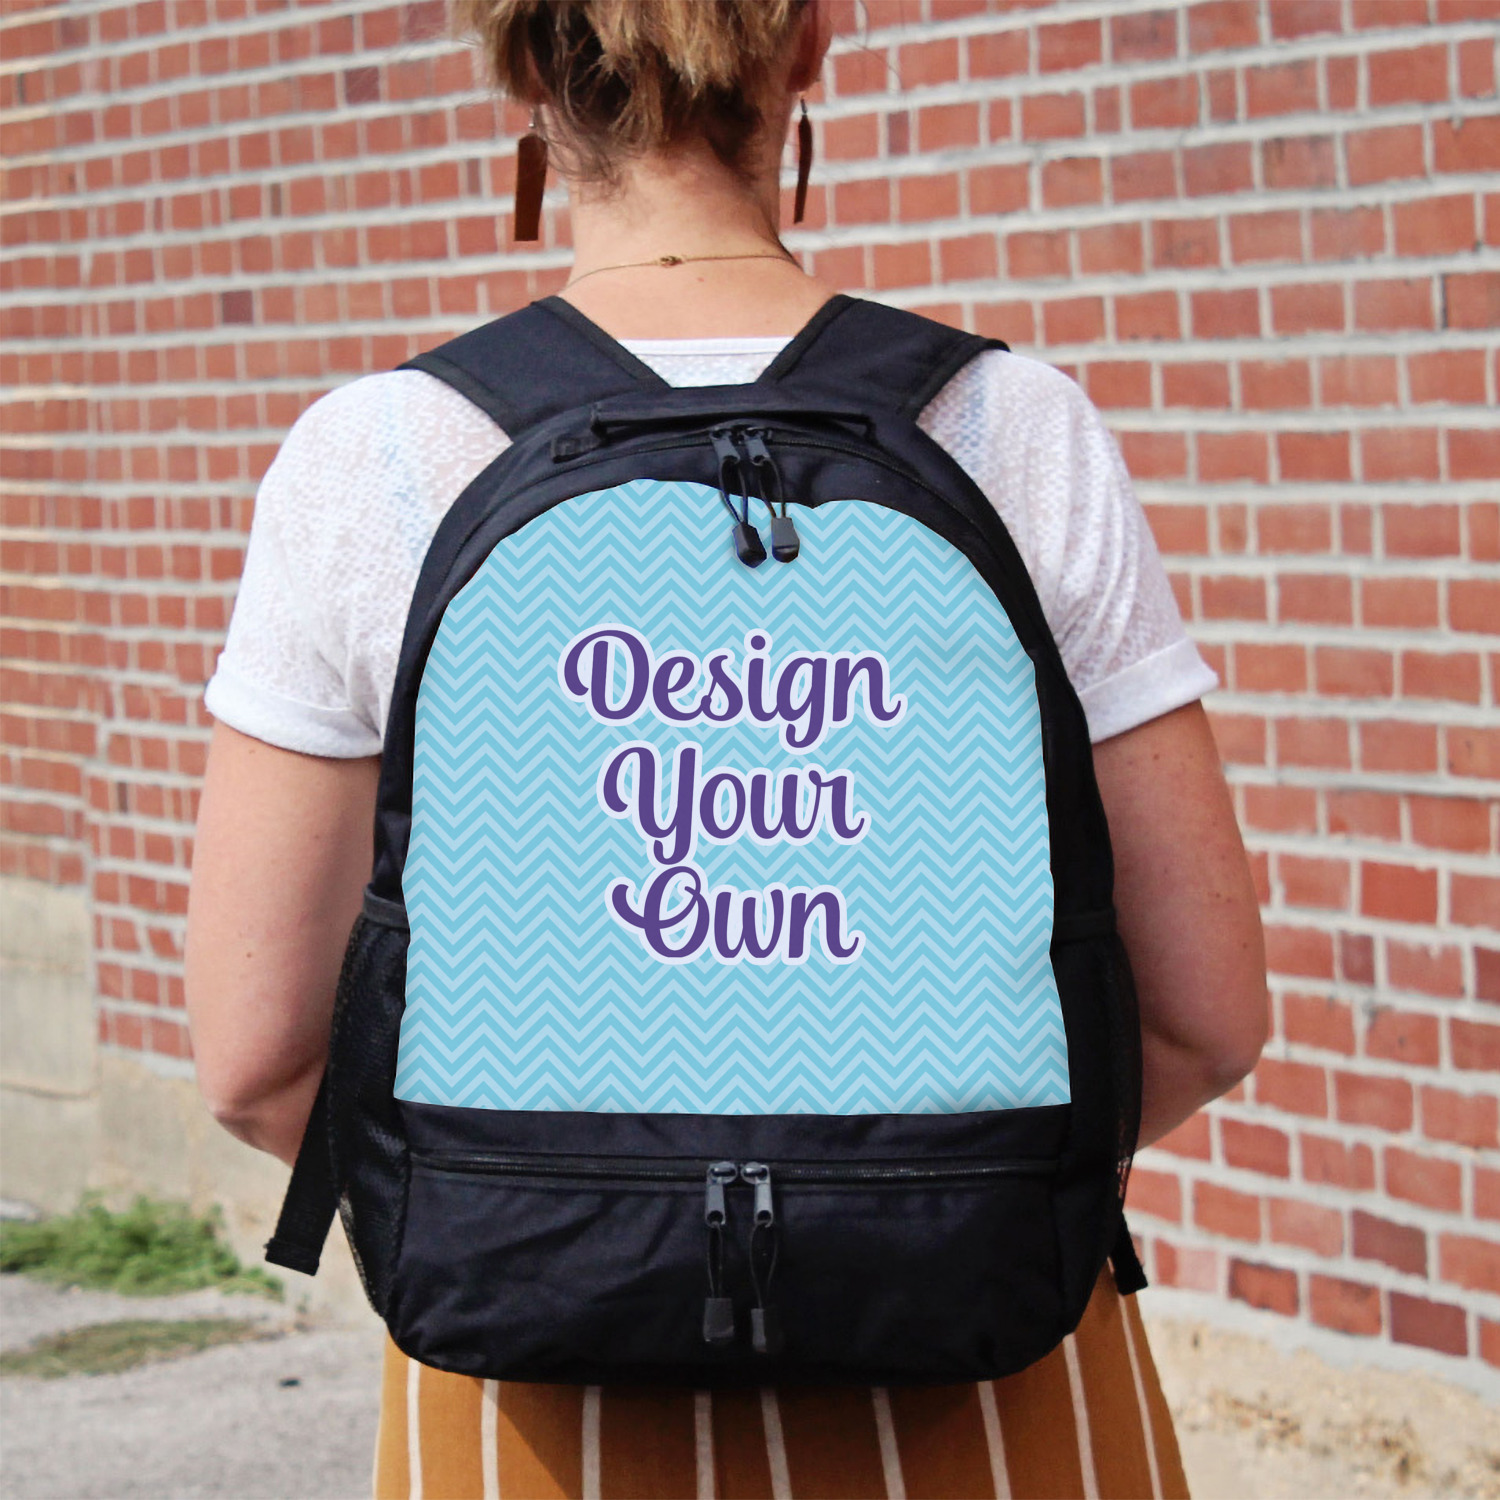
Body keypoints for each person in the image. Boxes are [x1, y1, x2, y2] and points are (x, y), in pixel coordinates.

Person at [185, 2, 1268, 1495]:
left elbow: (257, 1066)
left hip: (536, 1386)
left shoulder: (370, 457)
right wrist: (906, 1207)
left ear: (522, 63)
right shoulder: (1013, 428)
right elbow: (1205, 1022)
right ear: (808, 40)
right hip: (981, 1357)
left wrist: (567, 1220)